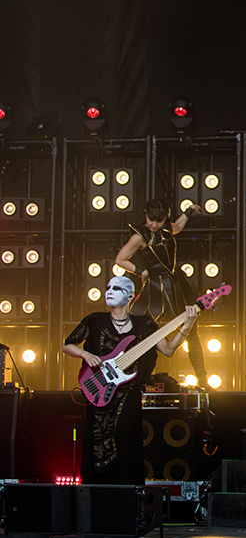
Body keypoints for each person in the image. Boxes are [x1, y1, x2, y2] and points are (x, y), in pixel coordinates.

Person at [63, 276, 196, 485]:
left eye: (116, 288)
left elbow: (168, 350)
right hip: (98, 395)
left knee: (127, 447)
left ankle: (127, 501)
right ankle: (94, 499)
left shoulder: (144, 325)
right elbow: (67, 345)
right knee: (95, 446)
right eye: (107, 287)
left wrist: (186, 326)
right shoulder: (94, 320)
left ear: (131, 295)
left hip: (129, 398)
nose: (109, 291)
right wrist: (85, 355)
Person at [115, 198, 207, 387]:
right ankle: (131, 379)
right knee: (141, 331)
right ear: (145, 215)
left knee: (192, 330)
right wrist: (142, 272)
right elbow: (121, 259)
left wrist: (189, 211)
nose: (154, 224)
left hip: (176, 283)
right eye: (151, 219)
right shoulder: (140, 236)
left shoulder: (166, 229)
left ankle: (203, 379)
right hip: (156, 285)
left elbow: (178, 226)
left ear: (166, 217)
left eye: (159, 220)